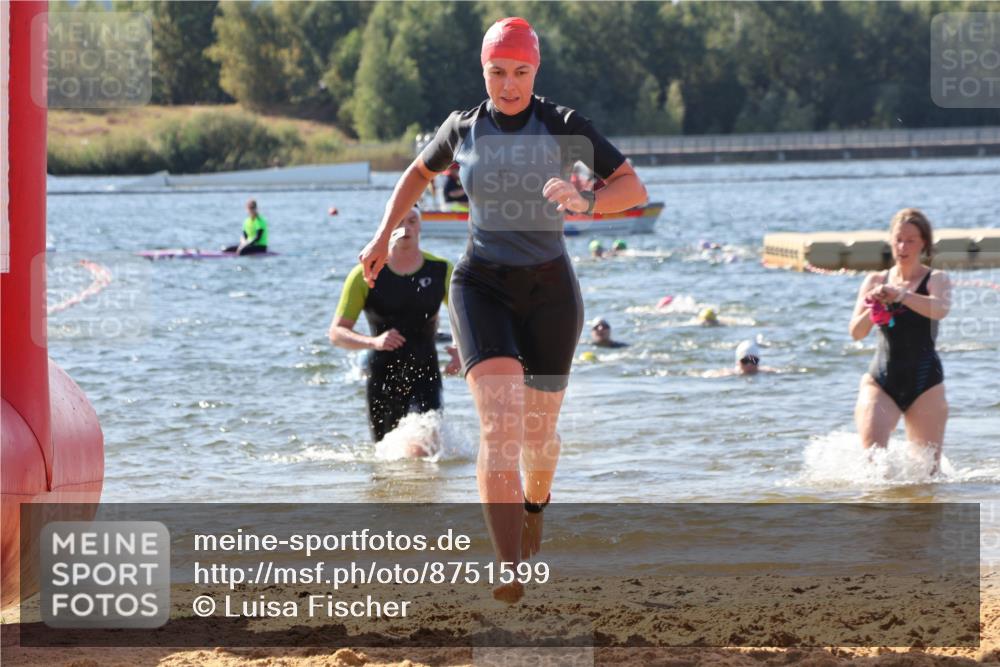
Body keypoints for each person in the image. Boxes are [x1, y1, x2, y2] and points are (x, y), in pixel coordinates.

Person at [356, 17, 647, 602]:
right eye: (496, 72)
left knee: (540, 436)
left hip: (551, 292)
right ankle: (509, 566)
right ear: (483, 70)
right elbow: (418, 173)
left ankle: (536, 505)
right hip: (479, 284)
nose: (508, 84)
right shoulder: (462, 128)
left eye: (519, 72)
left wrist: (586, 198)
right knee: (500, 425)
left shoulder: (563, 126)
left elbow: (632, 188)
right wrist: (382, 235)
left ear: (534, 71)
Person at [330, 207, 460, 449]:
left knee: (423, 446)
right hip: (382, 377)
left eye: (412, 221)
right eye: (399, 222)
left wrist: (461, 350)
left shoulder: (441, 270)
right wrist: (374, 342)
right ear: (387, 228)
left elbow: (467, 318)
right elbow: (337, 333)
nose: (406, 227)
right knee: (386, 456)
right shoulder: (364, 274)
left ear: (420, 226)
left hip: (426, 373)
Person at [849, 208, 951, 469]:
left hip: (925, 382)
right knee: (873, 464)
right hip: (882, 380)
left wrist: (902, 295)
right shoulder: (875, 279)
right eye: (898, 239)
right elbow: (856, 333)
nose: (902, 246)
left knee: (928, 472)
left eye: (910, 240)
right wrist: (873, 305)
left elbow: (940, 309)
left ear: (924, 243)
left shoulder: (936, 279)